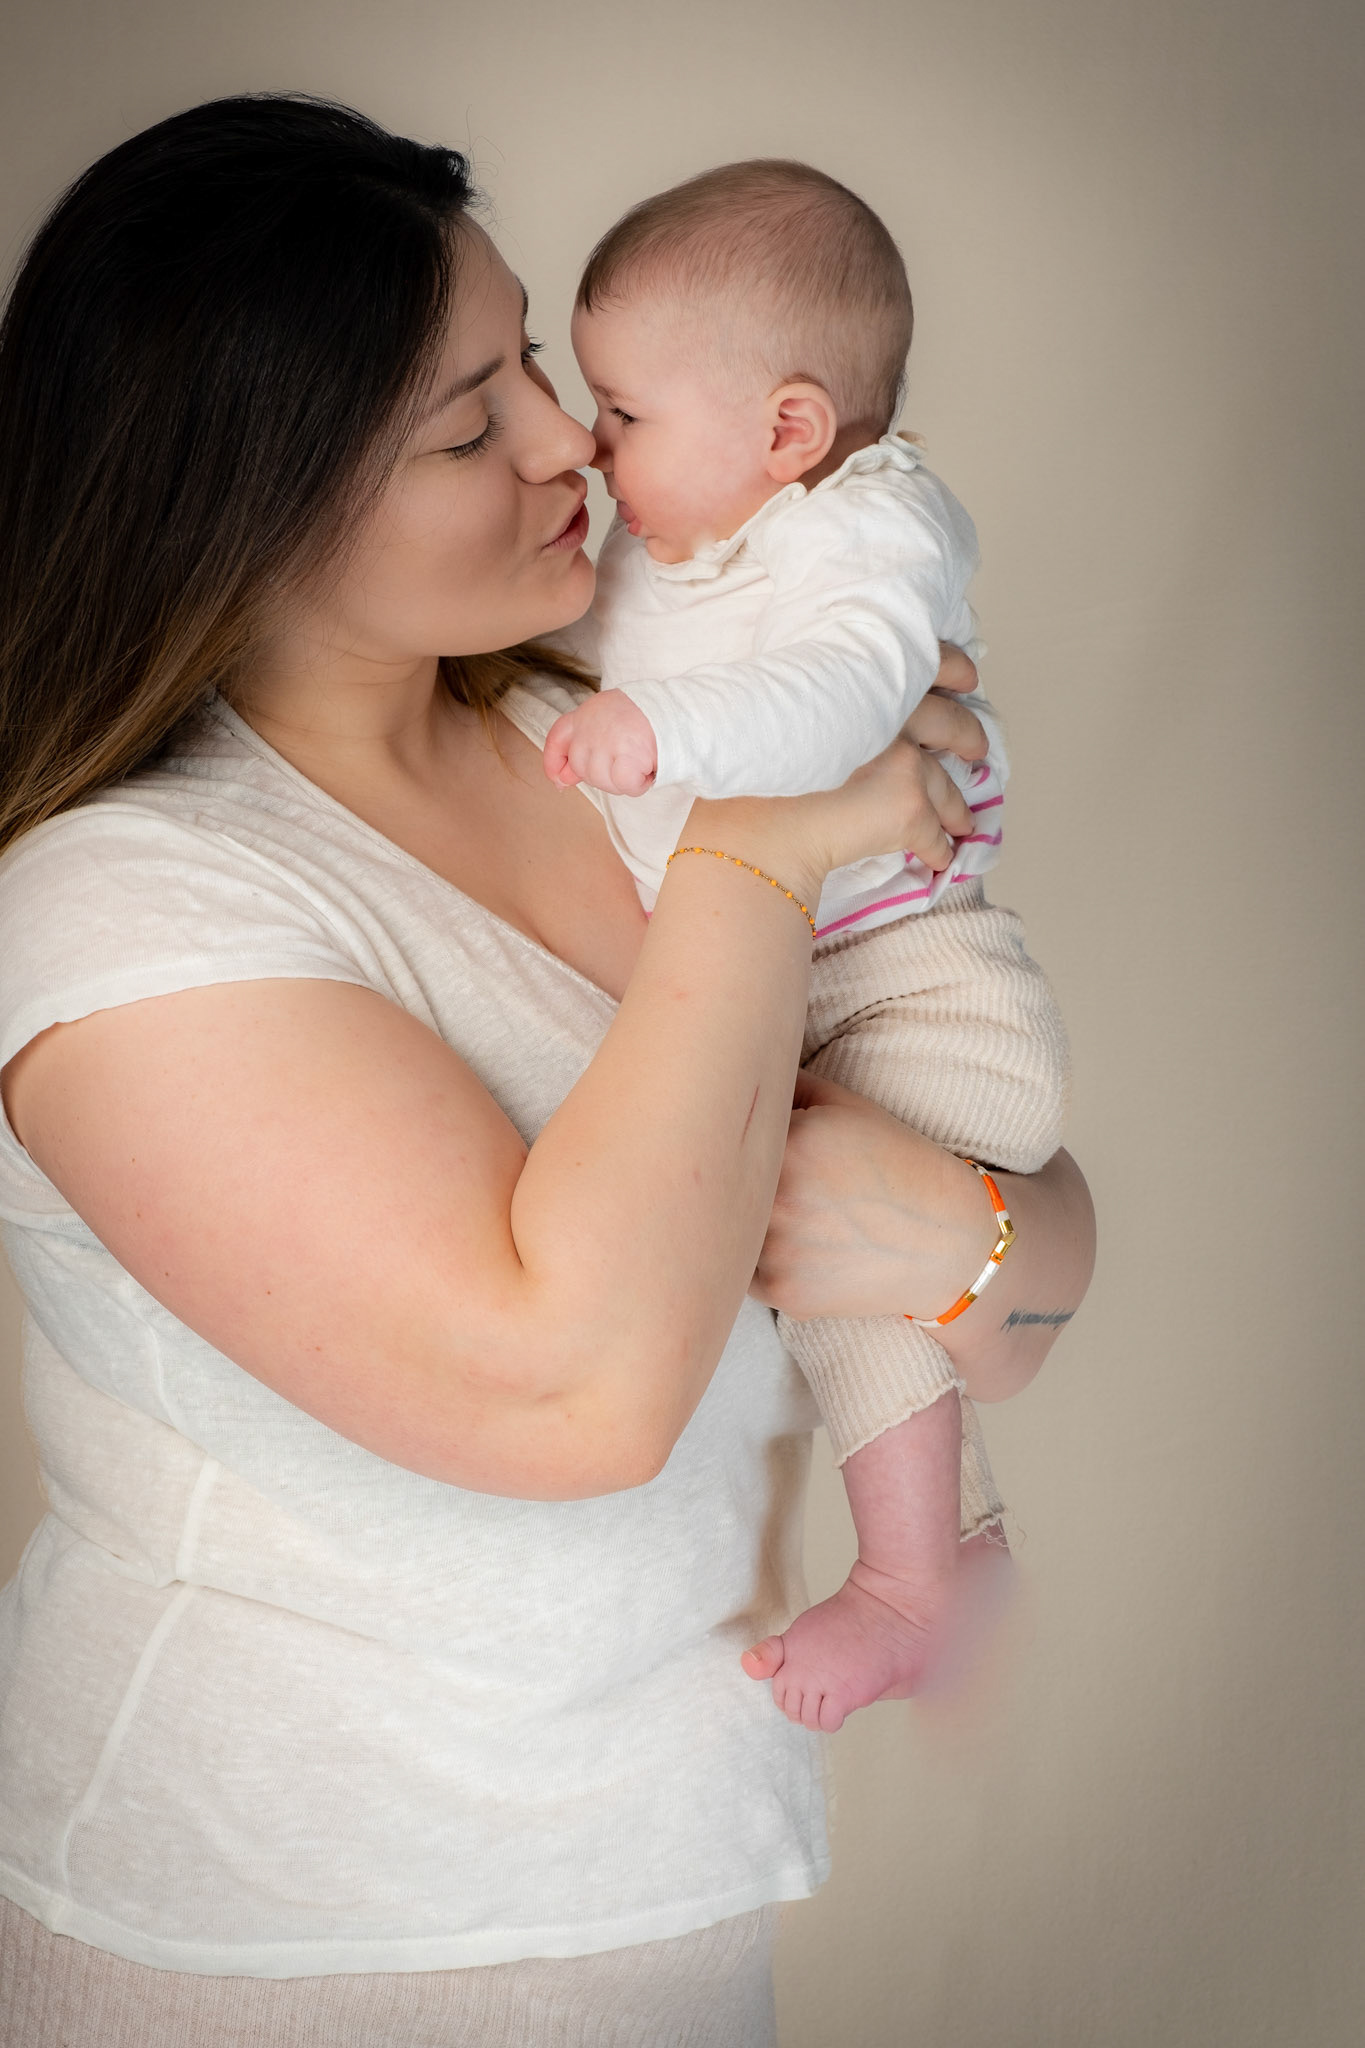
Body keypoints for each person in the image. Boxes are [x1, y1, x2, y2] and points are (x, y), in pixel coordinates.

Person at [0, 95, 1095, 2046]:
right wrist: (762, 849)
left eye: (529, 358)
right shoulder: (122, 904)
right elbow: (574, 1391)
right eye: (466, 422)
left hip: (671, 1865)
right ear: (243, 498)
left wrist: (964, 1230)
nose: (566, 436)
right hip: (278, 1931)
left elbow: (1012, 1287)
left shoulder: (608, 722)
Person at [522, 160, 1069, 1732]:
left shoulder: (862, 530)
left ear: (787, 429)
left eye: (622, 411)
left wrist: (660, 732)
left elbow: (844, 695)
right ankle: (948, 1550)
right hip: (818, 988)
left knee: (838, 1282)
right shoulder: (675, 537)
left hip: (915, 988)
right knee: (828, 1263)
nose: (587, 443)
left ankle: (911, 1580)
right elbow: (586, 638)